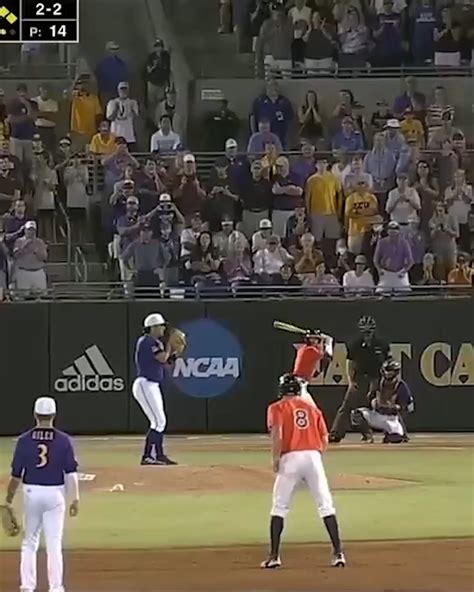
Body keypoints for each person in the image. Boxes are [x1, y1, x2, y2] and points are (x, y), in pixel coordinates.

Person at [261, 372, 345, 569]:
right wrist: (315, 456)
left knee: (279, 506)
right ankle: (338, 554)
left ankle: (274, 556)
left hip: (290, 458)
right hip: (313, 457)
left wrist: (275, 459)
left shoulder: (276, 407)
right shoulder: (312, 408)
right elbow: (324, 438)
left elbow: (277, 434)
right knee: (326, 505)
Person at [3, 396, 79, 592]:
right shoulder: (63, 440)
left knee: (29, 542)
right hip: (55, 494)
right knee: (54, 543)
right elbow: (71, 473)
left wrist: (8, 500)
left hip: (31, 493)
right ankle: (56, 587)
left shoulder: (24, 440)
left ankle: (27, 586)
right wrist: (75, 499)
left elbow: (16, 475)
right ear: (54, 415)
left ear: (35, 415)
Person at [329, 316, 390, 442]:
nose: (367, 336)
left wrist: (384, 382)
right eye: (365, 332)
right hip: (359, 378)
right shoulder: (355, 345)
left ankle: (393, 432)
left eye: (369, 332)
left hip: (377, 379)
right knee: (347, 406)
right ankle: (336, 433)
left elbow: (388, 362)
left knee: (382, 407)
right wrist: (351, 381)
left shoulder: (382, 344)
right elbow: (349, 363)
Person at [132, 313, 178, 465]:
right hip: (145, 383)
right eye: (161, 326)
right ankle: (147, 456)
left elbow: (166, 361)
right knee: (158, 421)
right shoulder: (147, 341)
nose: (163, 328)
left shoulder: (155, 342)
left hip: (152, 384)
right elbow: (162, 357)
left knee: (159, 421)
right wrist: (169, 345)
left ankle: (159, 455)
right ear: (153, 327)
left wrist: (174, 354)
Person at [351, 359, 414, 443]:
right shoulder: (377, 383)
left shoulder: (401, 386)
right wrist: (373, 402)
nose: (387, 374)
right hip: (376, 414)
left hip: (391, 418)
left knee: (396, 439)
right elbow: (370, 398)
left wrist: (395, 408)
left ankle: (395, 434)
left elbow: (409, 407)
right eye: (386, 371)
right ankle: (368, 436)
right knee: (356, 414)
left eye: (390, 371)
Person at [305, 158, 342, 251]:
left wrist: (339, 210)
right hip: (316, 213)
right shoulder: (311, 180)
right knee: (317, 239)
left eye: (324, 162)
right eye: (319, 162)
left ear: (327, 164)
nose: (322, 165)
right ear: (316, 165)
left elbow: (340, 194)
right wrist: (308, 213)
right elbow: (307, 197)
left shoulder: (333, 178)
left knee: (333, 239)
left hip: (331, 212)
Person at [251, 80, 294, 149]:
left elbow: (290, 119)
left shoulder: (285, 101)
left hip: (280, 136)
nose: (273, 88)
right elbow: (253, 118)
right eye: (270, 86)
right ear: (266, 88)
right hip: (263, 137)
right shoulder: (259, 101)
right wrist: (254, 134)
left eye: (275, 86)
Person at [374, 220, 414, 291]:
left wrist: (404, 271)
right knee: (381, 292)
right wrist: (379, 270)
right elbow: (375, 260)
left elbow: (410, 261)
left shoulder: (404, 242)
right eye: (390, 229)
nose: (393, 231)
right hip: (386, 273)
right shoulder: (381, 242)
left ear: (398, 231)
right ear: (387, 230)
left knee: (405, 292)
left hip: (400, 273)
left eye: (395, 229)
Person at [271, 156, 304, 236]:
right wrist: (290, 188)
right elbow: (275, 190)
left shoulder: (296, 176)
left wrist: (282, 189)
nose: (279, 169)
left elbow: (299, 192)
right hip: (278, 211)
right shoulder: (274, 177)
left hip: (293, 211)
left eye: (281, 166)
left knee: (293, 235)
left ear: (287, 165)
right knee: (278, 235)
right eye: (277, 166)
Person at [344, 181, 379, 255]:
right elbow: (349, 213)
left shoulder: (372, 198)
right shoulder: (350, 198)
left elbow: (374, 212)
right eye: (359, 184)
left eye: (363, 183)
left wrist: (357, 211)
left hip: (368, 230)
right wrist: (365, 212)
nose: (361, 186)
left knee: (367, 254)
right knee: (354, 254)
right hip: (354, 231)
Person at [444, 169, 472, 253]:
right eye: (456, 177)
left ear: (464, 178)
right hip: (452, 222)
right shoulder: (448, 190)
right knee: (452, 246)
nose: (458, 179)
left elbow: (469, 201)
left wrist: (462, 193)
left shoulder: (469, 189)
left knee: (464, 246)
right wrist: (454, 196)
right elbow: (447, 205)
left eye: (460, 177)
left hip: (464, 221)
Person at [429, 201, 458, 281]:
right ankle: (441, 286)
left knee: (451, 269)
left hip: (450, 248)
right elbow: (431, 236)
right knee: (439, 270)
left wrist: (447, 229)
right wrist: (436, 229)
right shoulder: (433, 220)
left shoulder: (452, 218)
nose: (439, 212)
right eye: (438, 210)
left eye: (441, 209)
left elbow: (457, 234)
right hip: (438, 249)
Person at [144, 39, 171, 124]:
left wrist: (168, 83)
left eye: (160, 47)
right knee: (151, 103)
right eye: (157, 47)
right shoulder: (151, 57)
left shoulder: (166, 56)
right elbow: (148, 70)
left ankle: (159, 121)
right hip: (152, 83)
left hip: (161, 83)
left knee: (161, 103)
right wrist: (154, 65)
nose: (158, 49)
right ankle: (151, 122)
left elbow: (167, 70)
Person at [95, 41, 129, 108]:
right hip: (106, 92)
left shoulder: (121, 64)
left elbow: (124, 78)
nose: (114, 51)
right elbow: (98, 78)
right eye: (112, 49)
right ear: (107, 50)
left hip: (118, 93)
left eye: (116, 49)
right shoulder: (102, 64)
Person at [106, 82, 139, 148]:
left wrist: (132, 109)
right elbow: (110, 117)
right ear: (118, 90)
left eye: (125, 89)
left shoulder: (132, 102)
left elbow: (136, 116)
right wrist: (116, 108)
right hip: (116, 132)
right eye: (122, 89)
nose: (123, 91)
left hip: (128, 133)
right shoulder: (112, 102)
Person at [32, 84, 58, 153]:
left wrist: (41, 114)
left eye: (46, 91)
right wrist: (47, 114)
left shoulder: (53, 103)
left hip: (50, 130)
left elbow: (54, 117)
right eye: (43, 90)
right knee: (38, 150)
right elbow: (34, 114)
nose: (45, 92)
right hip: (38, 129)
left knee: (50, 150)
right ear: (40, 91)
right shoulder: (34, 101)